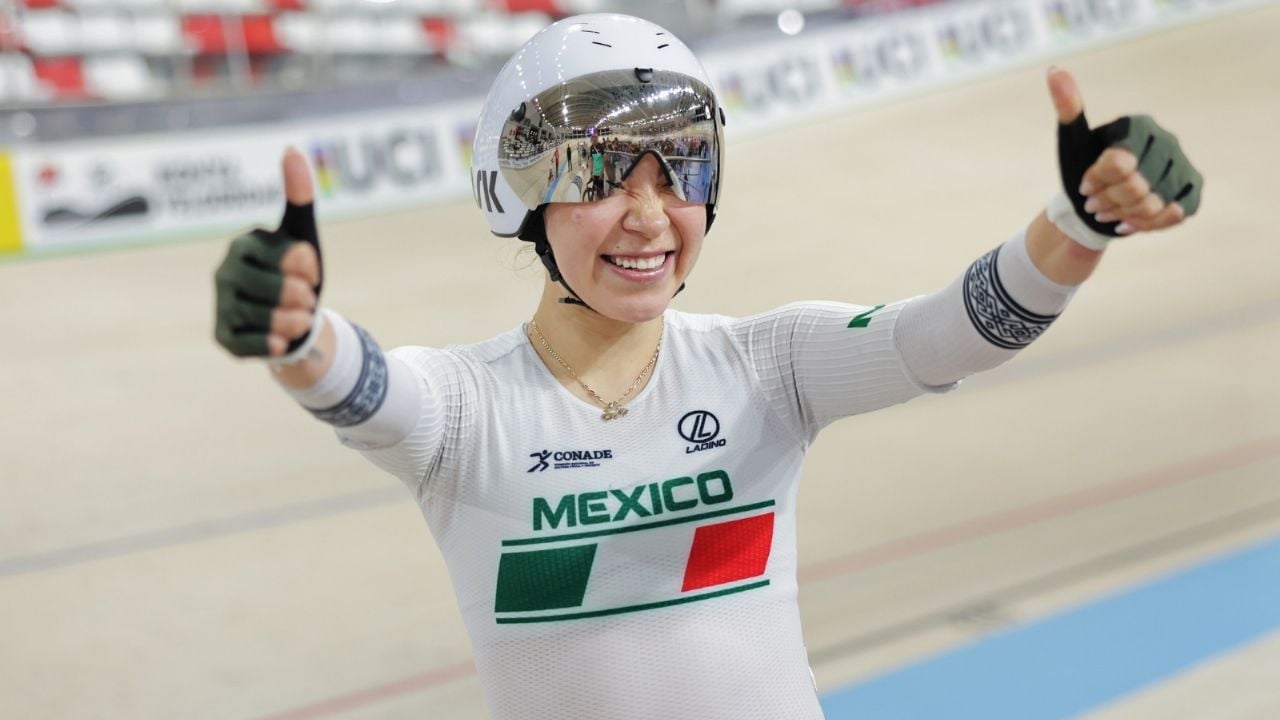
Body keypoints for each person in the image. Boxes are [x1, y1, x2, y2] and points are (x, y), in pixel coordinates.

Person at [213, 13, 1201, 720]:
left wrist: (1078, 223)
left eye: (680, 170)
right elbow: (367, 388)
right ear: (518, 199)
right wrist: (296, 332)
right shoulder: (470, 409)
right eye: (600, 176)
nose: (648, 216)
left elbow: (946, 334)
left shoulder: (764, 364)